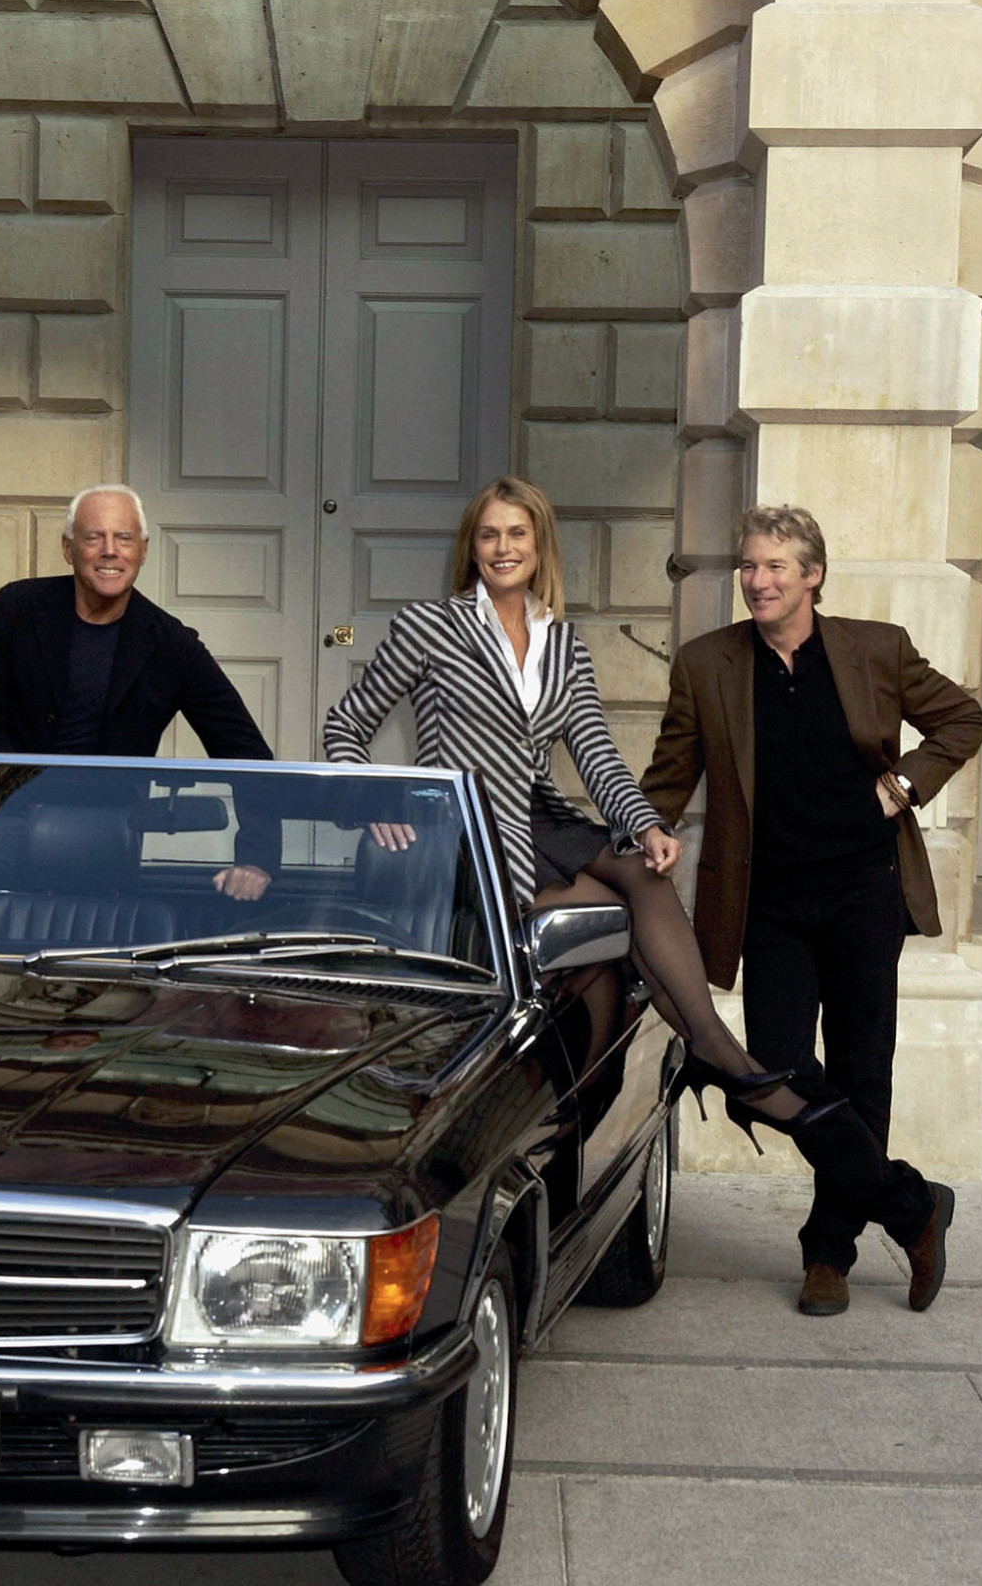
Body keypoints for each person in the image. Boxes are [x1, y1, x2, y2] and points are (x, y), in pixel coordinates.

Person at [322, 476, 821, 1135]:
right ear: (472, 547)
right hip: (464, 827)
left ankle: (709, 1048)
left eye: (517, 533)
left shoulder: (563, 643)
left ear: (540, 546)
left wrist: (645, 823)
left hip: (540, 817)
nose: (504, 547)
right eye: (490, 535)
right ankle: (718, 1059)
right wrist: (375, 799)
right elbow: (345, 725)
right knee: (619, 921)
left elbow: (597, 755)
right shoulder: (429, 626)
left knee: (643, 870)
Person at [640, 504, 982, 1315]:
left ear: (812, 575)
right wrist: (645, 828)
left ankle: (828, 1253)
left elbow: (964, 716)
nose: (757, 580)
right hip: (767, 902)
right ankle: (911, 1204)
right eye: (748, 565)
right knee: (774, 1069)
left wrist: (904, 786)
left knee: (864, 1071)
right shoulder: (707, 663)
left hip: (865, 890)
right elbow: (668, 776)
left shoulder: (876, 649)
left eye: (774, 566)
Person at [0, 483, 274, 900]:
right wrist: (26, 796)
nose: (110, 551)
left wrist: (257, 858)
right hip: (3, 828)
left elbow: (245, 751)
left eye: (124, 538)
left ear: (143, 550)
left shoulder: (170, 643)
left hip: (104, 843)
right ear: (68, 548)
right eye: (94, 537)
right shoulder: (18, 608)